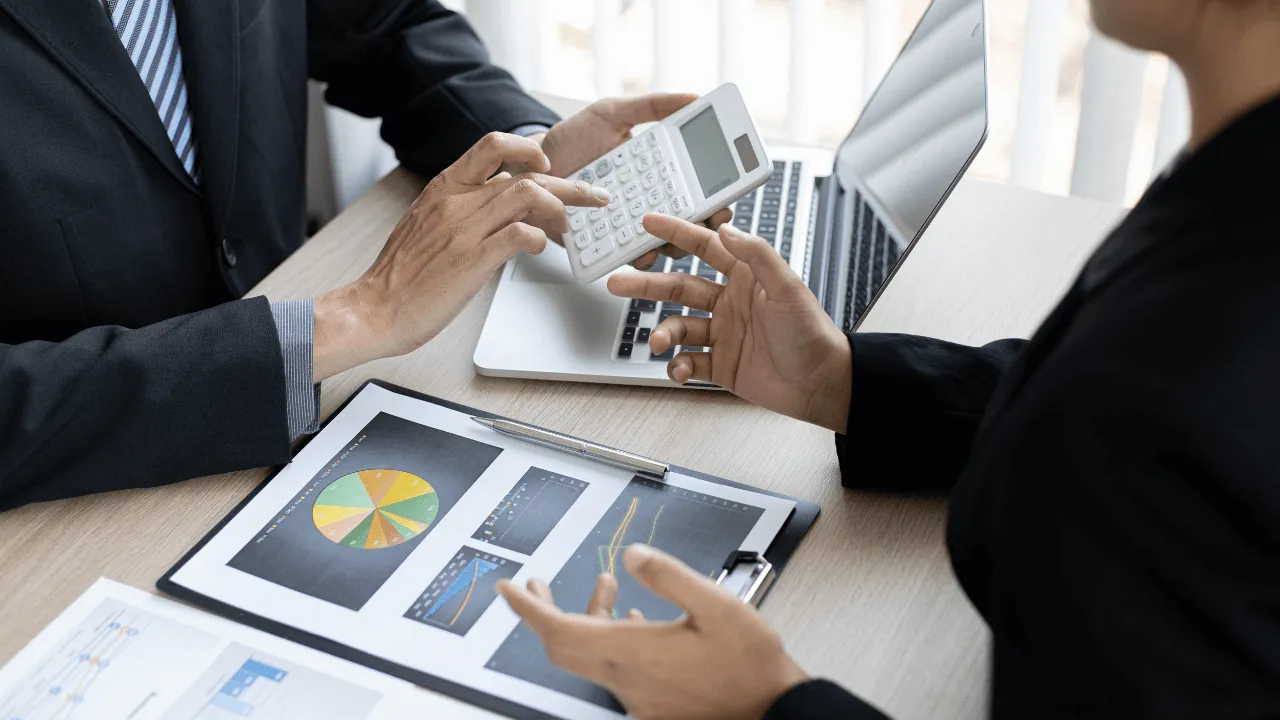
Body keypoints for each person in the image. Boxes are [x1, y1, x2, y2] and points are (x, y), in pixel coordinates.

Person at [497, 0, 1280, 716]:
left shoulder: (1177, 374)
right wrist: (848, 383)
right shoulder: (1234, 195)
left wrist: (767, 704)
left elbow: (1146, 428)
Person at [0, 0, 707, 510]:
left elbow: (386, 26)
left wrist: (531, 153)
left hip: (318, 409)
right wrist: (354, 317)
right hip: (87, 497)